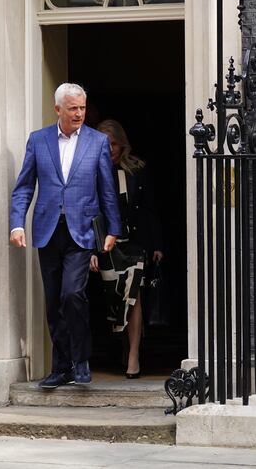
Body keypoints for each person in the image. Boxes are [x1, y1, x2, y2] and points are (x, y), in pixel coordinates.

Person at [10, 83, 121, 389]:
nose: (79, 114)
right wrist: (17, 224)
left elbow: (107, 189)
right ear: (57, 109)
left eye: (83, 108)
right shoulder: (38, 140)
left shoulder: (97, 142)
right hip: (47, 230)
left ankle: (81, 360)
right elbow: (23, 188)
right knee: (52, 301)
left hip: (81, 231)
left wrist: (113, 228)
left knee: (72, 294)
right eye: (73, 108)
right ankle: (61, 367)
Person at [91, 120, 163, 379]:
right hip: (108, 246)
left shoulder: (138, 170)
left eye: (112, 143)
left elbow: (150, 208)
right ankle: (123, 346)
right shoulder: (91, 171)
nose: (109, 148)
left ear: (122, 144)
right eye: (103, 143)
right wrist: (91, 248)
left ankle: (134, 355)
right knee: (117, 300)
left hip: (136, 243)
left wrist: (157, 245)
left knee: (134, 298)